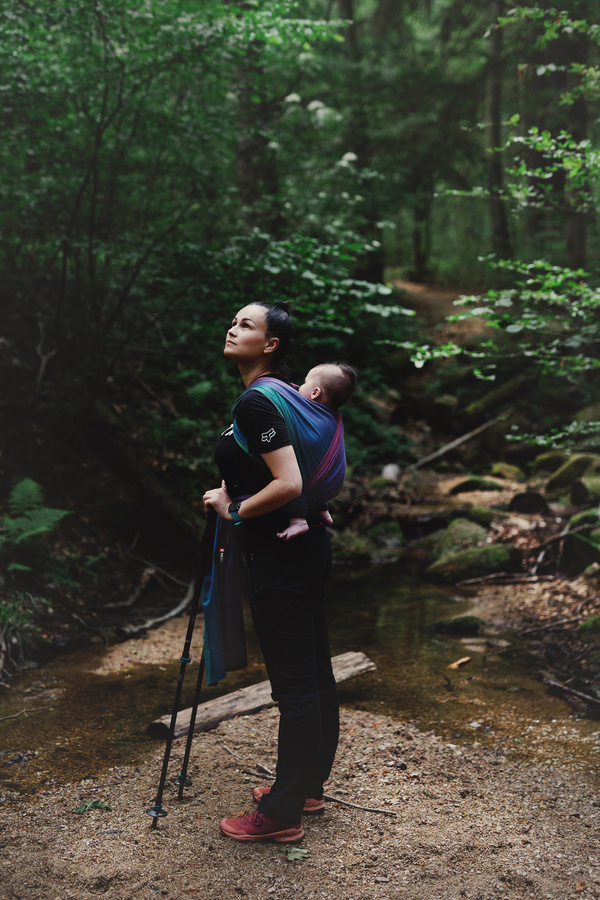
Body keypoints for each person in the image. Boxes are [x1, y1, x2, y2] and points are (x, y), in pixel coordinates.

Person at [202, 301, 348, 844]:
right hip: (307, 550)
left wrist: (232, 509)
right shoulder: (287, 399)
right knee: (314, 672)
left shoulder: (260, 403)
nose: (232, 327)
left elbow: (287, 484)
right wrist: (238, 491)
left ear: (270, 346)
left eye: (245, 324)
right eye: (234, 320)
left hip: (283, 559)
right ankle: (306, 786)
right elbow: (291, 477)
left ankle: (283, 812)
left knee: (295, 685)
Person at [277, 363, 356, 541]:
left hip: (310, 481)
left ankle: (298, 520)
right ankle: (322, 508)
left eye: (304, 383)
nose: (299, 386)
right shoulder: (331, 416)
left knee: (292, 473)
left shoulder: (307, 418)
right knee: (313, 465)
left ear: (315, 393)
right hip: (327, 484)